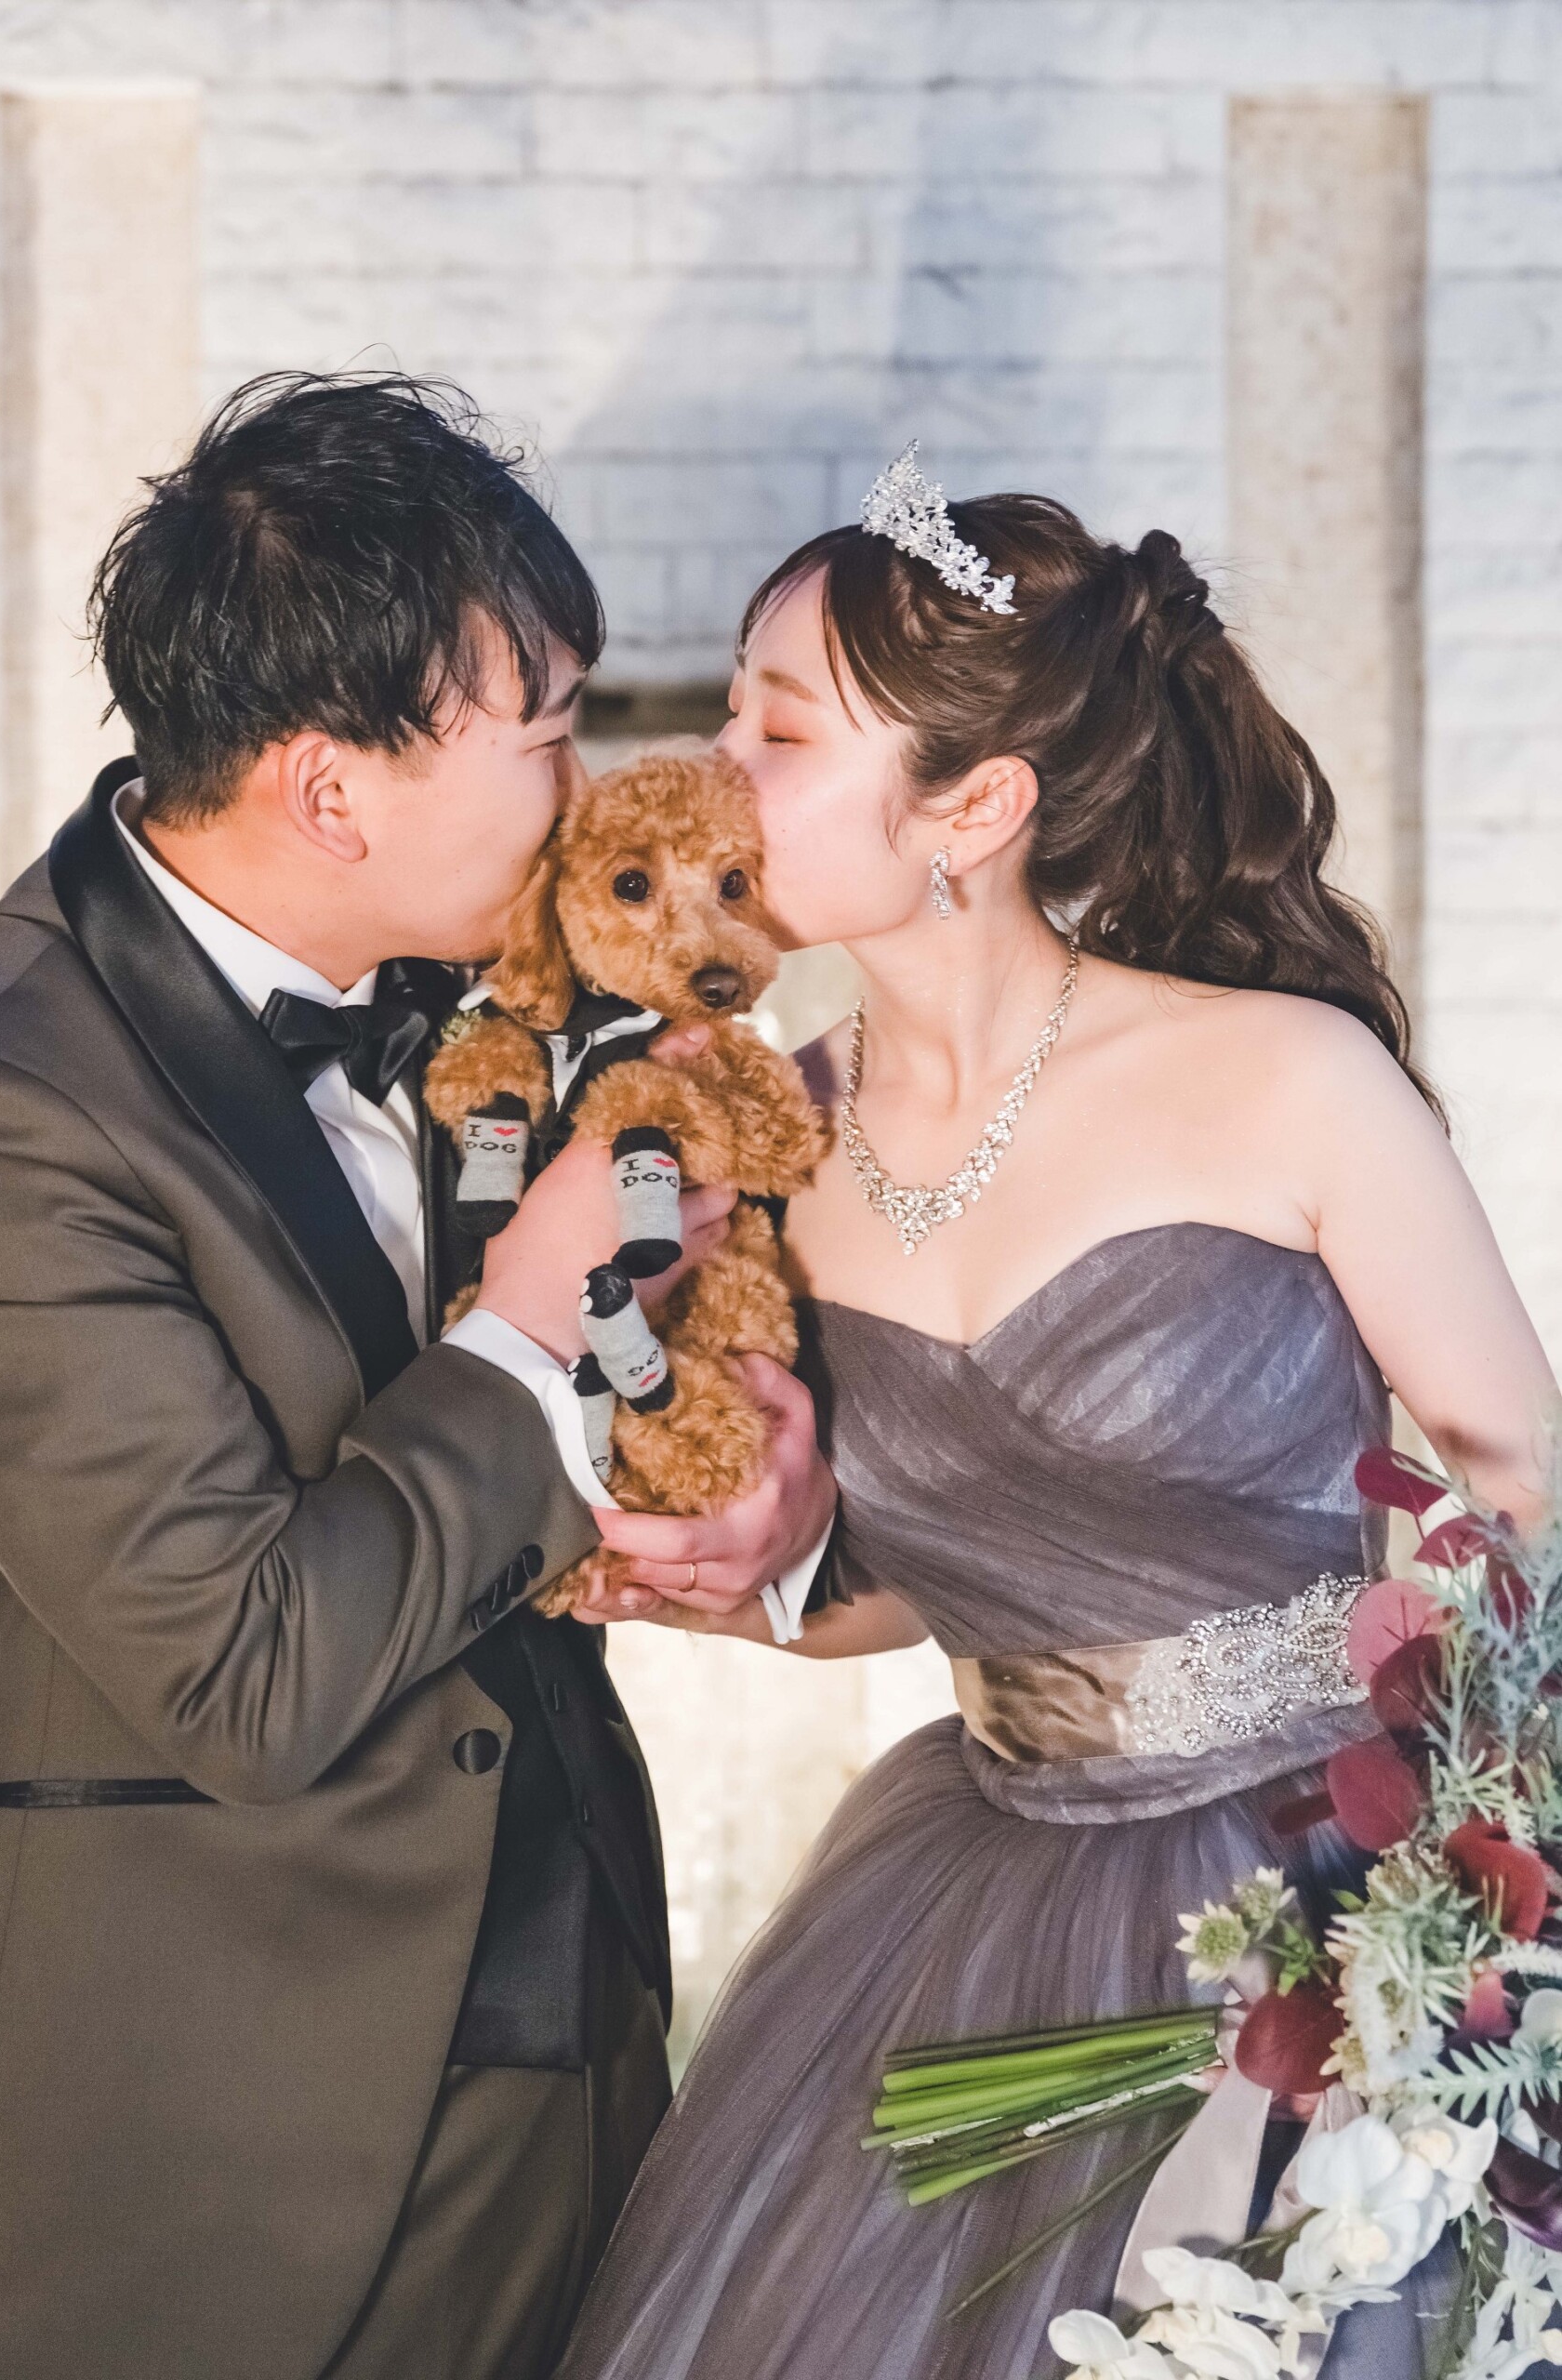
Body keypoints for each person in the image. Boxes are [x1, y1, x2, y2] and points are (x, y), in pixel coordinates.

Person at [0, 372, 833, 2380]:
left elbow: (635, 1390)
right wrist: (533, 1314)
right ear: (330, 790)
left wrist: (772, 1518)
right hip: (213, 2160)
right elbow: (247, 1667)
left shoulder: (496, 976)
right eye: (540, 734)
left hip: (569, 2057)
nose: (581, 789)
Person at [557, 462, 1558, 2377]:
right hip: (972, 1897)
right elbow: (910, 1586)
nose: (711, 772)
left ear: (974, 808)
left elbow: (1534, 1503)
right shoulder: (766, 1139)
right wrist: (747, 1584)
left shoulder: (1283, 1077)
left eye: (777, 730)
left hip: (1333, 1900)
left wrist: (1486, 1913)